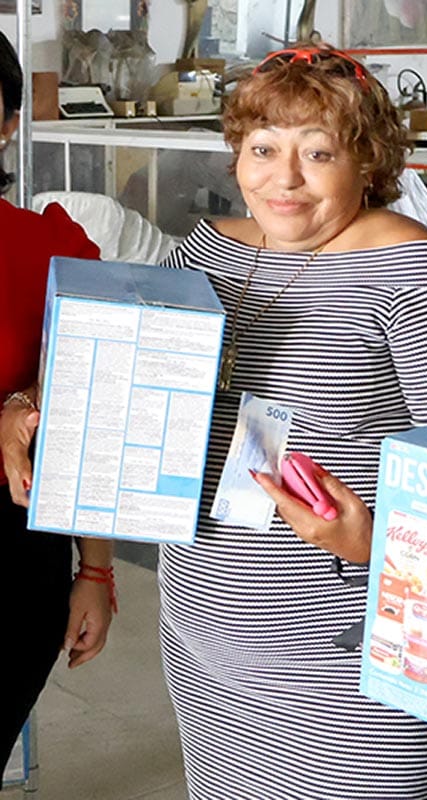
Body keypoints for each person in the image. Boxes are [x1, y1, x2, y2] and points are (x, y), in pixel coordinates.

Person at [157, 44, 427, 799]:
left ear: (368, 163)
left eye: (318, 153)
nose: (284, 178)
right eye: (263, 149)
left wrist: (372, 544)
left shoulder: (419, 276)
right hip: (203, 636)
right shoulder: (205, 252)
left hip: (350, 656)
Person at [0, 31, 115, 776]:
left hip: (13, 557)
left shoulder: (49, 247)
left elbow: (93, 404)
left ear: (8, 122)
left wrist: (96, 571)